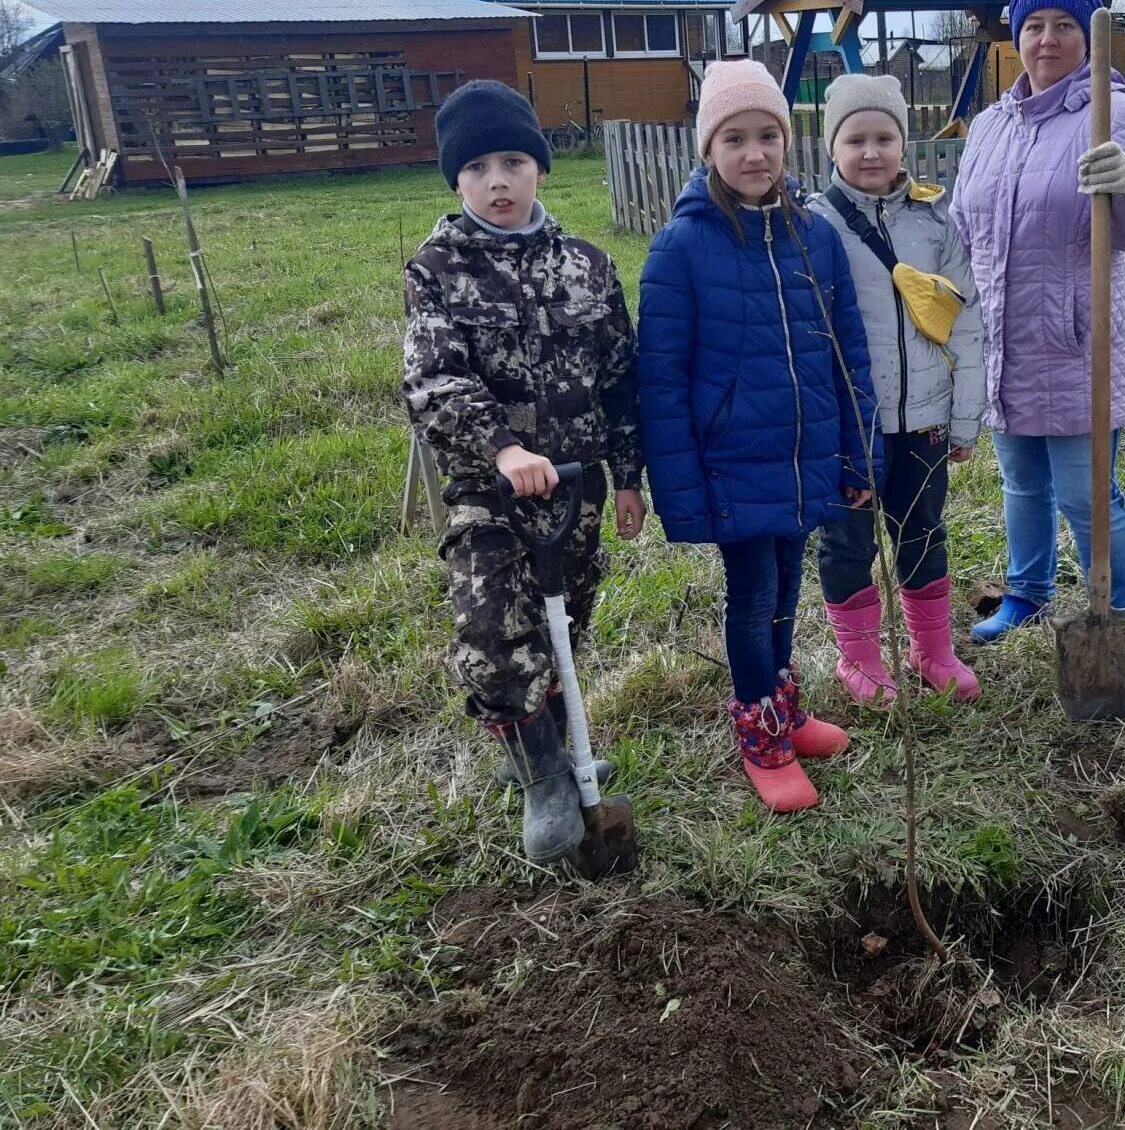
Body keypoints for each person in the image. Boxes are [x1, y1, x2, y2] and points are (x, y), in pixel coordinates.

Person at [402, 80, 646, 864]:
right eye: (476, 168)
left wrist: (631, 476)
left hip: (575, 486)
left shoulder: (588, 267)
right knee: (494, 641)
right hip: (489, 491)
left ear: (540, 168)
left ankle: (566, 752)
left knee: (562, 629)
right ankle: (543, 779)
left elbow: (621, 379)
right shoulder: (437, 269)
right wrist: (503, 449)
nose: (497, 181)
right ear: (456, 181)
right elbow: (432, 382)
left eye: (513, 161)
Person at [639, 60, 884, 814]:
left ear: (787, 140)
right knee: (751, 599)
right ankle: (762, 738)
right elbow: (661, 381)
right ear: (708, 149)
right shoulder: (682, 249)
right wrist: (681, 489)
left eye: (769, 135)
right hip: (731, 465)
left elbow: (849, 354)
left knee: (786, 593)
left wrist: (856, 452)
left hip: (803, 456)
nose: (755, 153)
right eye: (735, 138)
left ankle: (787, 711)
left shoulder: (814, 238)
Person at [950, 0, 1125, 643]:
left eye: (1065, 26)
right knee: (1020, 483)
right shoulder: (990, 125)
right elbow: (963, 223)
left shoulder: (1114, 113)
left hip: (1077, 340)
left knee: (1086, 492)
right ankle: (1027, 593)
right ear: (1017, 35)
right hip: (1004, 337)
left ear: (1088, 36)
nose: (1047, 40)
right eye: (1035, 26)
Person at [808, 74, 983, 705]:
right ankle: (859, 659)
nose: (871, 152)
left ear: (904, 145)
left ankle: (932, 650)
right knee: (848, 540)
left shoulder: (936, 221)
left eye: (885, 137)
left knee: (924, 529)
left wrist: (964, 419)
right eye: (856, 139)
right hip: (849, 426)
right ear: (833, 148)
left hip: (926, 415)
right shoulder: (814, 224)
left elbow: (967, 322)